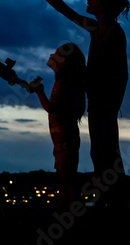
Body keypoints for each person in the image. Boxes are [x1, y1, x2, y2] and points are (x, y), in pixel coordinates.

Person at [13, 0, 130, 203]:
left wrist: (108, 101)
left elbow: (119, 74)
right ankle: (111, 204)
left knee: (105, 156)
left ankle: (115, 206)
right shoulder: (96, 28)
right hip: (98, 105)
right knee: (101, 155)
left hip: (104, 106)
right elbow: (63, 10)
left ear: (105, 4)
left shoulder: (113, 34)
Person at [31, 43, 86, 212]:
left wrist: (39, 92)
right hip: (65, 140)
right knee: (66, 178)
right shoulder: (73, 84)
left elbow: (51, 107)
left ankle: (67, 213)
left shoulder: (63, 82)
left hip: (63, 140)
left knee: (66, 179)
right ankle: (65, 212)